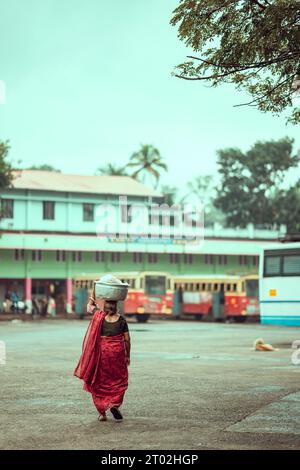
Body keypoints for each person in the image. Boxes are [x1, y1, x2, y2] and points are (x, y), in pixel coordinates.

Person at [74, 291, 131, 422]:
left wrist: (92, 297)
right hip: (117, 354)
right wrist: (128, 355)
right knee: (119, 380)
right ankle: (114, 404)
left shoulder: (99, 316)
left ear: (104, 307)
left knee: (99, 381)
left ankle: (102, 413)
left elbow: (89, 307)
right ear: (116, 307)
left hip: (102, 354)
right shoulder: (122, 320)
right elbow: (127, 339)